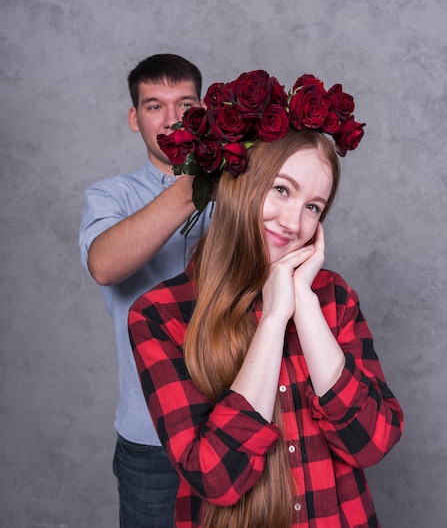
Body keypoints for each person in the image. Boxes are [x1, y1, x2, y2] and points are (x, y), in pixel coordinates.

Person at [128, 69, 404, 528]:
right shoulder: (159, 315)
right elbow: (216, 479)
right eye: (281, 190)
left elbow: (371, 442)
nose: (294, 222)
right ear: (241, 185)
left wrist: (304, 302)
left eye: (313, 207)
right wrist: (274, 318)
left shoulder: (333, 297)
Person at [79, 54, 213, 527]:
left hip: (242, 427)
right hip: (153, 443)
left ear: (205, 111)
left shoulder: (242, 190)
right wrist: (194, 181)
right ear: (135, 119)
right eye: (155, 106)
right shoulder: (109, 197)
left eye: (186, 104)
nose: (173, 119)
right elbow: (105, 264)